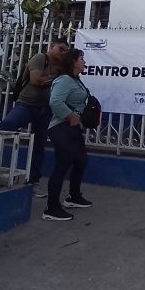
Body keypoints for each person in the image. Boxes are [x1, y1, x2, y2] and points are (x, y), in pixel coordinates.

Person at [0, 41, 69, 195]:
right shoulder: (40, 58)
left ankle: (33, 180)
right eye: (61, 48)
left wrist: (49, 79)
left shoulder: (62, 66)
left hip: (45, 109)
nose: (63, 52)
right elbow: (35, 81)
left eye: (66, 50)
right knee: (4, 128)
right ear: (52, 47)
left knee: (38, 145)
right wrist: (54, 79)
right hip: (27, 104)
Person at [43, 47, 93, 221]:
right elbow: (55, 101)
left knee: (81, 161)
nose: (84, 62)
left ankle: (74, 197)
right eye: (81, 59)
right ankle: (51, 208)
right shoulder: (64, 80)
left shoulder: (76, 80)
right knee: (62, 165)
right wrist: (71, 116)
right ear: (73, 61)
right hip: (61, 127)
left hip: (73, 128)